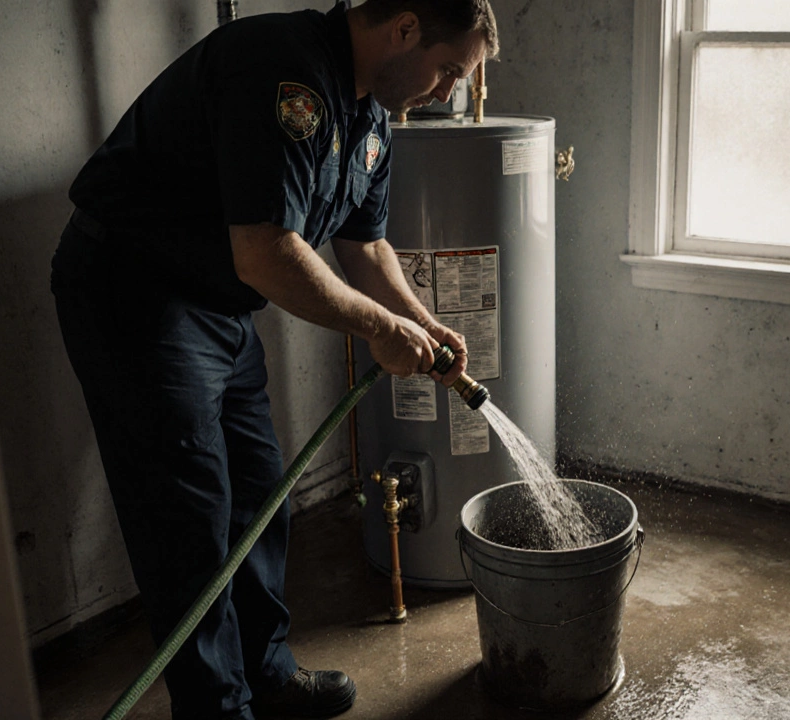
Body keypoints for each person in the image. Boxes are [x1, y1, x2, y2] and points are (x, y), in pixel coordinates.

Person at [50, 1, 498, 717]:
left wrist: (423, 325)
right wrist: (379, 329)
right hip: (136, 293)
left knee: (261, 495)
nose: (447, 91)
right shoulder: (284, 72)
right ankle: (218, 708)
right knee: (187, 522)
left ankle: (266, 674)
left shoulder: (372, 114)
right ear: (404, 26)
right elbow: (265, 252)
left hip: (218, 302)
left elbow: (365, 244)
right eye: (448, 70)